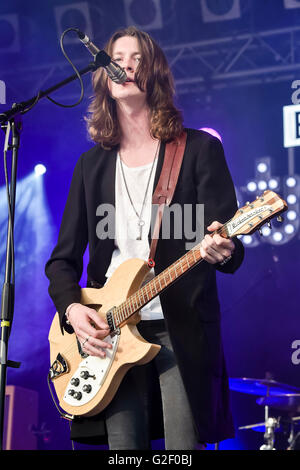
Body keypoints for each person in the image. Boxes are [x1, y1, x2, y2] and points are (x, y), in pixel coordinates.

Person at [45, 26, 244, 450]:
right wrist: (73, 313)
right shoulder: (90, 166)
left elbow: (228, 244)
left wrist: (222, 249)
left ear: (155, 72)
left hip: (180, 327)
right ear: (103, 73)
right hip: (111, 332)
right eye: (117, 57)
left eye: (137, 57)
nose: (126, 65)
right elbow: (61, 261)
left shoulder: (198, 150)